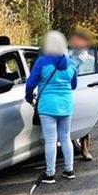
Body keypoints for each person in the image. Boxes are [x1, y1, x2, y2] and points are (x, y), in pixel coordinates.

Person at [25, 31, 78, 184]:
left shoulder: (42, 62)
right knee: (66, 137)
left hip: (47, 106)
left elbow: (30, 84)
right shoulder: (71, 63)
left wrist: (29, 98)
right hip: (66, 105)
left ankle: (50, 174)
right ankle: (69, 170)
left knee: (50, 140)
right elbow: (74, 85)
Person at [68, 27, 95, 160]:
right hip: (67, 94)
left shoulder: (91, 60)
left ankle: (85, 149)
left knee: (85, 122)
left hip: (85, 95)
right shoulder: (66, 57)